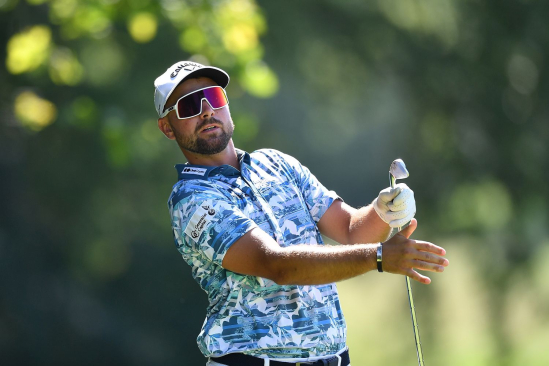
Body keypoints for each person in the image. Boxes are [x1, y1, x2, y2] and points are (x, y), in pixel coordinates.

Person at [154, 61, 449, 366]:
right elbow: (276, 265)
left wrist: (382, 211)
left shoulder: (277, 163)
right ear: (167, 128)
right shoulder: (191, 199)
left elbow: (350, 230)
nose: (206, 111)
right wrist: (378, 257)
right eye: (189, 105)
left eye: (214, 97)